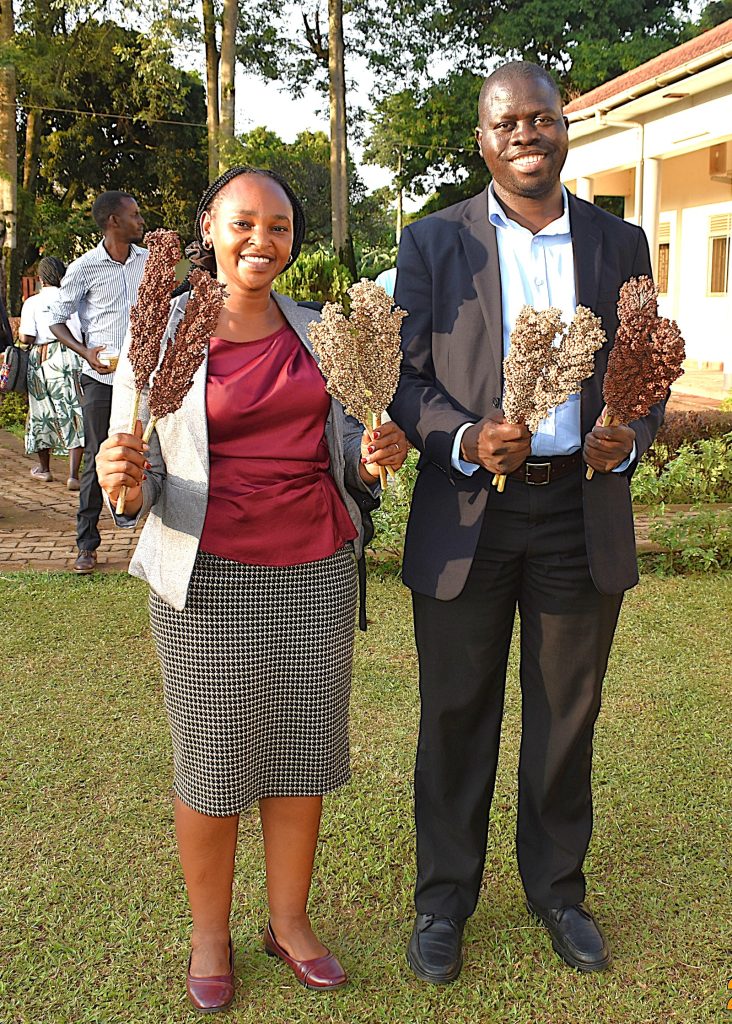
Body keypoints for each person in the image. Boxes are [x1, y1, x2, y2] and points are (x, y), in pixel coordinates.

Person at [96, 165, 408, 1013]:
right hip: (206, 578)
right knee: (214, 762)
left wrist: (373, 455)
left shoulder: (320, 332)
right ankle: (209, 933)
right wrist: (122, 483)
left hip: (313, 570)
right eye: (243, 222)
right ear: (208, 228)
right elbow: (137, 474)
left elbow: (346, 446)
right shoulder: (162, 334)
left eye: (278, 226)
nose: (260, 240)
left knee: (302, 752)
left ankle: (289, 922)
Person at [388, 61, 666, 982]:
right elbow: (401, 380)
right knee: (456, 712)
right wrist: (465, 437)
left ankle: (557, 889)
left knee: (565, 715)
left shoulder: (619, 242)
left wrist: (623, 440)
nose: (526, 135)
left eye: (540, 118)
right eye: (507, 123)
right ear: (483, 139)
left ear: (563, 127)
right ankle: (443, 902)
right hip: (470, 510)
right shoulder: (431, 243)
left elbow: (647, 368)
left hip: (578, 513)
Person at [49, 191, 147, 573]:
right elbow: (57, 319)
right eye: (134, 215)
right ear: (113, 222)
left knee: (149, 455)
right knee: (96, 458)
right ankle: (87, 543)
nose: (141, 221)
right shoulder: (84, 267)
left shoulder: (149, 261)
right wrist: (85, 351)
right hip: (100, 379)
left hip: (143, 380)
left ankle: (151, 537)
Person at [19, 257, 85, 487]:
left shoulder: (32, 302)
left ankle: (45, 469)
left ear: (40, 278)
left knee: (42, 411)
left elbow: (26, 337)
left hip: (43, 358)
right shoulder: (74, 299)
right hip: (73, 355)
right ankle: (74, 475)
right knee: (74, 411)